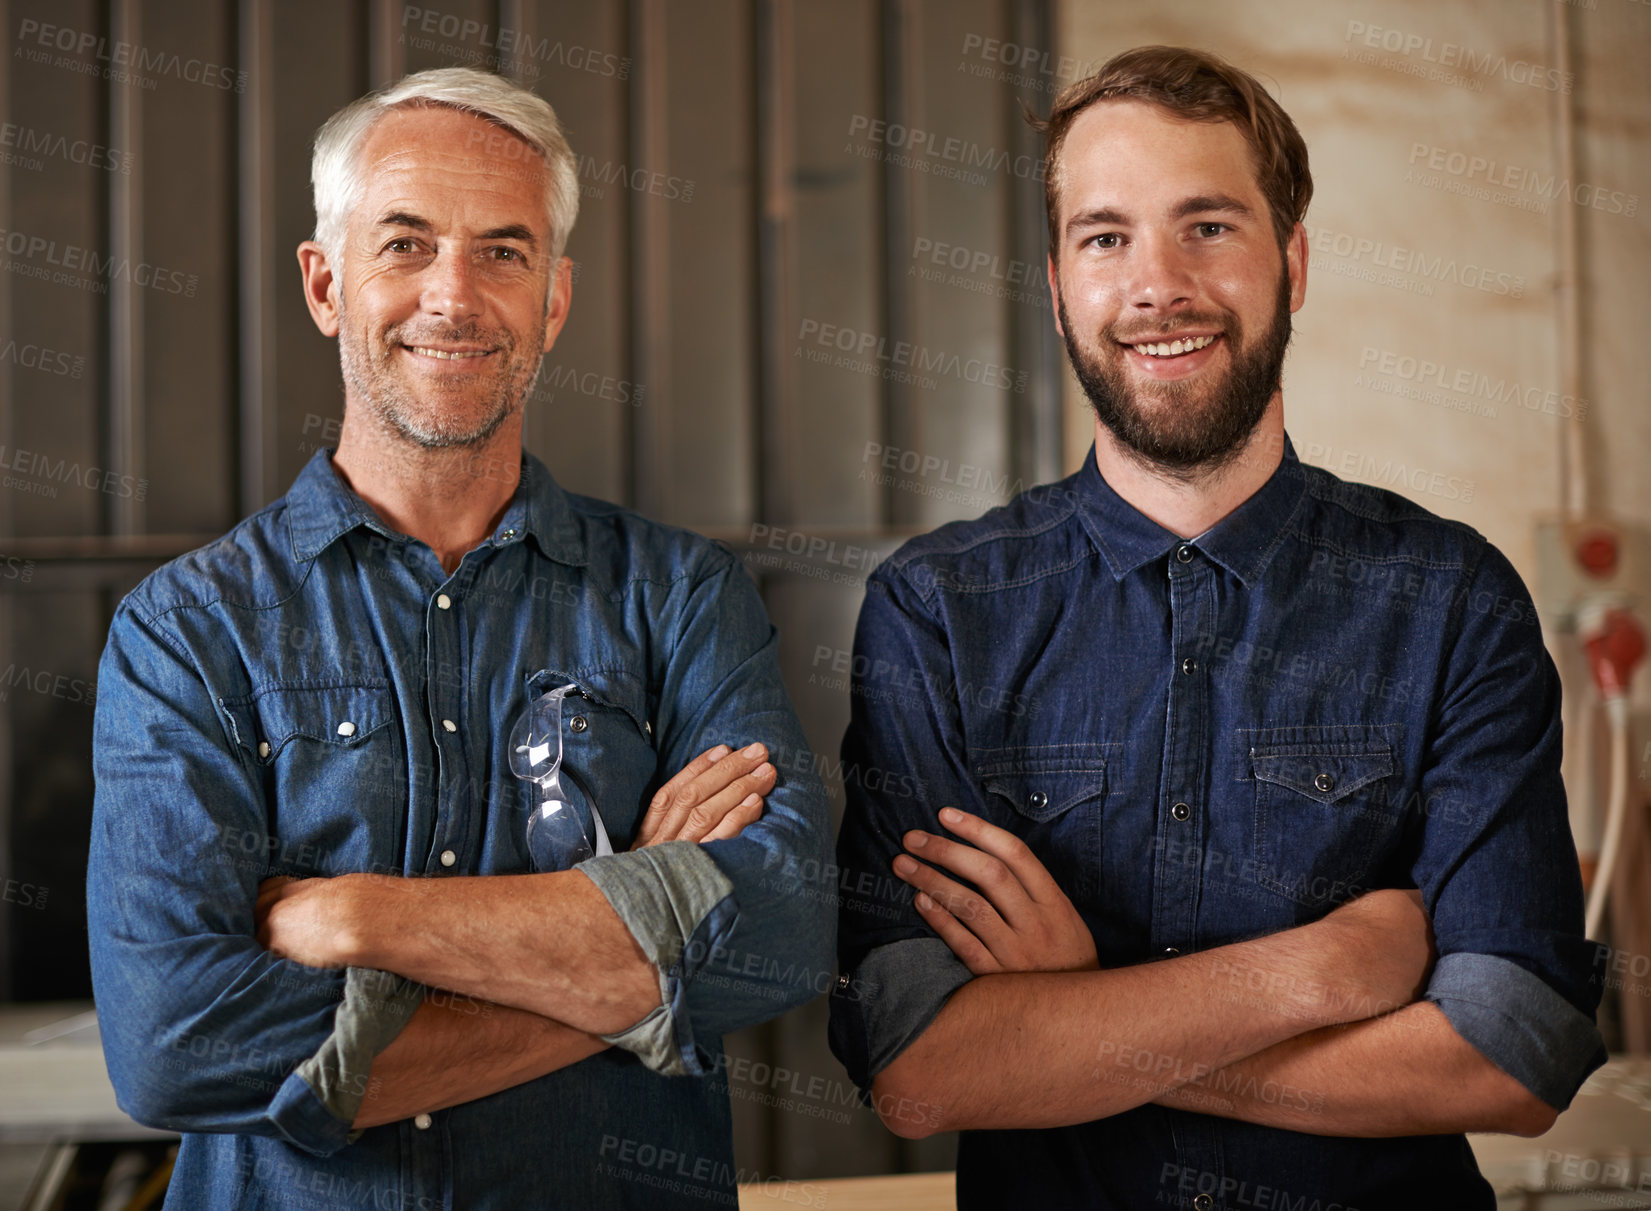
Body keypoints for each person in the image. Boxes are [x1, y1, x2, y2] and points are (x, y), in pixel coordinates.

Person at [829, 45, 1602, 1208]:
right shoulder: (937, 611)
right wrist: (1328, 968)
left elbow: (1511, 1054)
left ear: (1290, 261)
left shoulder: (1451, 598)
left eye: (1208, 227)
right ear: (1055, 285)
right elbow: (921, 1067)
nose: (1157, 285)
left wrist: (1080, 1014)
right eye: (1106, 237)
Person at [88, 67, 834, 1210]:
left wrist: (358, 915)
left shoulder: (680, 596)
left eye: (502, 251)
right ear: (325, 282)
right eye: (404, 244)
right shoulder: (188, 629)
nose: (454, 296)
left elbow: (779, 925)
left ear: (554, 299)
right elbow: (177, 1042)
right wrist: (630, 948)